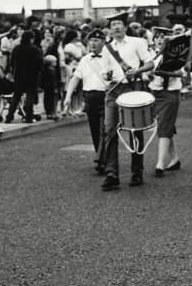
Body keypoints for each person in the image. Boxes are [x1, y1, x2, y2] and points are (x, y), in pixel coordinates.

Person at [100, 16, 155, 190]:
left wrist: (137, 70)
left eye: (119, 24)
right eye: (112, 25)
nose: (116, 27)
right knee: (109, 130)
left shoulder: (137, 42)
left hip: (132, 87)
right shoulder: (107, 48)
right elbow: (104, 70)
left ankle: (137, 171)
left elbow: (151, 63)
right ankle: (111, 173)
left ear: (125, 27)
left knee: (134, 129)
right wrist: (106, 76)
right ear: (109, 29)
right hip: (113, 90)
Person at [64, 30, 123, 174]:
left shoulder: (110, 58)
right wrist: (68, 96)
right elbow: (75, 78)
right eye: (91, 40)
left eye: (96, 41)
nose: (92, 43)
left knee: (105, 129)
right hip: (89, 97)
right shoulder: (85, 60)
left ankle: (101, 159)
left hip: (106, 96)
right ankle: (102, 157)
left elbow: (119, 77)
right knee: (95, 130)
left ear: (104, 42)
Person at [149, 29, 185, 177]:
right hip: (155, 93)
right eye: (157, 37)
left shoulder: (175, 54)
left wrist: (163, 72)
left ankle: (160, 163)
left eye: (163, 37)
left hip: (170, 92)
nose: (159, 40)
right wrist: (148, 75)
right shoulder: (151, 54)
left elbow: (180, 73)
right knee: (166, 125)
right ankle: (175, 159)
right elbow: (147, 72)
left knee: (164, 126)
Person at [6, 30, 43, 123]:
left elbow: (11, 62)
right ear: (31, 39)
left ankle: (9, 117)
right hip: (32, 75)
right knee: (30, 96)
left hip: (18, 75)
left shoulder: (16, 49)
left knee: (16, 97)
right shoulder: (35, 49)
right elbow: (39, 63)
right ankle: (28, 117)